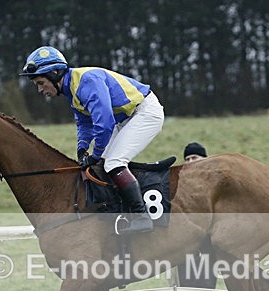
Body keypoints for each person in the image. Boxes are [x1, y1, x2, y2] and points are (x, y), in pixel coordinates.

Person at [20, 46, 164, 234]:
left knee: (113, 163)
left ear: (54, 73)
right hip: (125, 118)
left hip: (145, 113)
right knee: (99, 167)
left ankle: (141, 217)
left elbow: (104, 123)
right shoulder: (70, 88)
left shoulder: (86, 81)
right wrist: (82, 149)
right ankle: (116, 211)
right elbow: (84, 122)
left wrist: (95, 154)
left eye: (40, 82)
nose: (40, 89)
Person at [178, 141, 235, 291]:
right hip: (183, 248)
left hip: (206, 248)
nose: (192, 161)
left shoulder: (215, 186)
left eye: (196, 157)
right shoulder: (182, 185)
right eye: (188, 158)